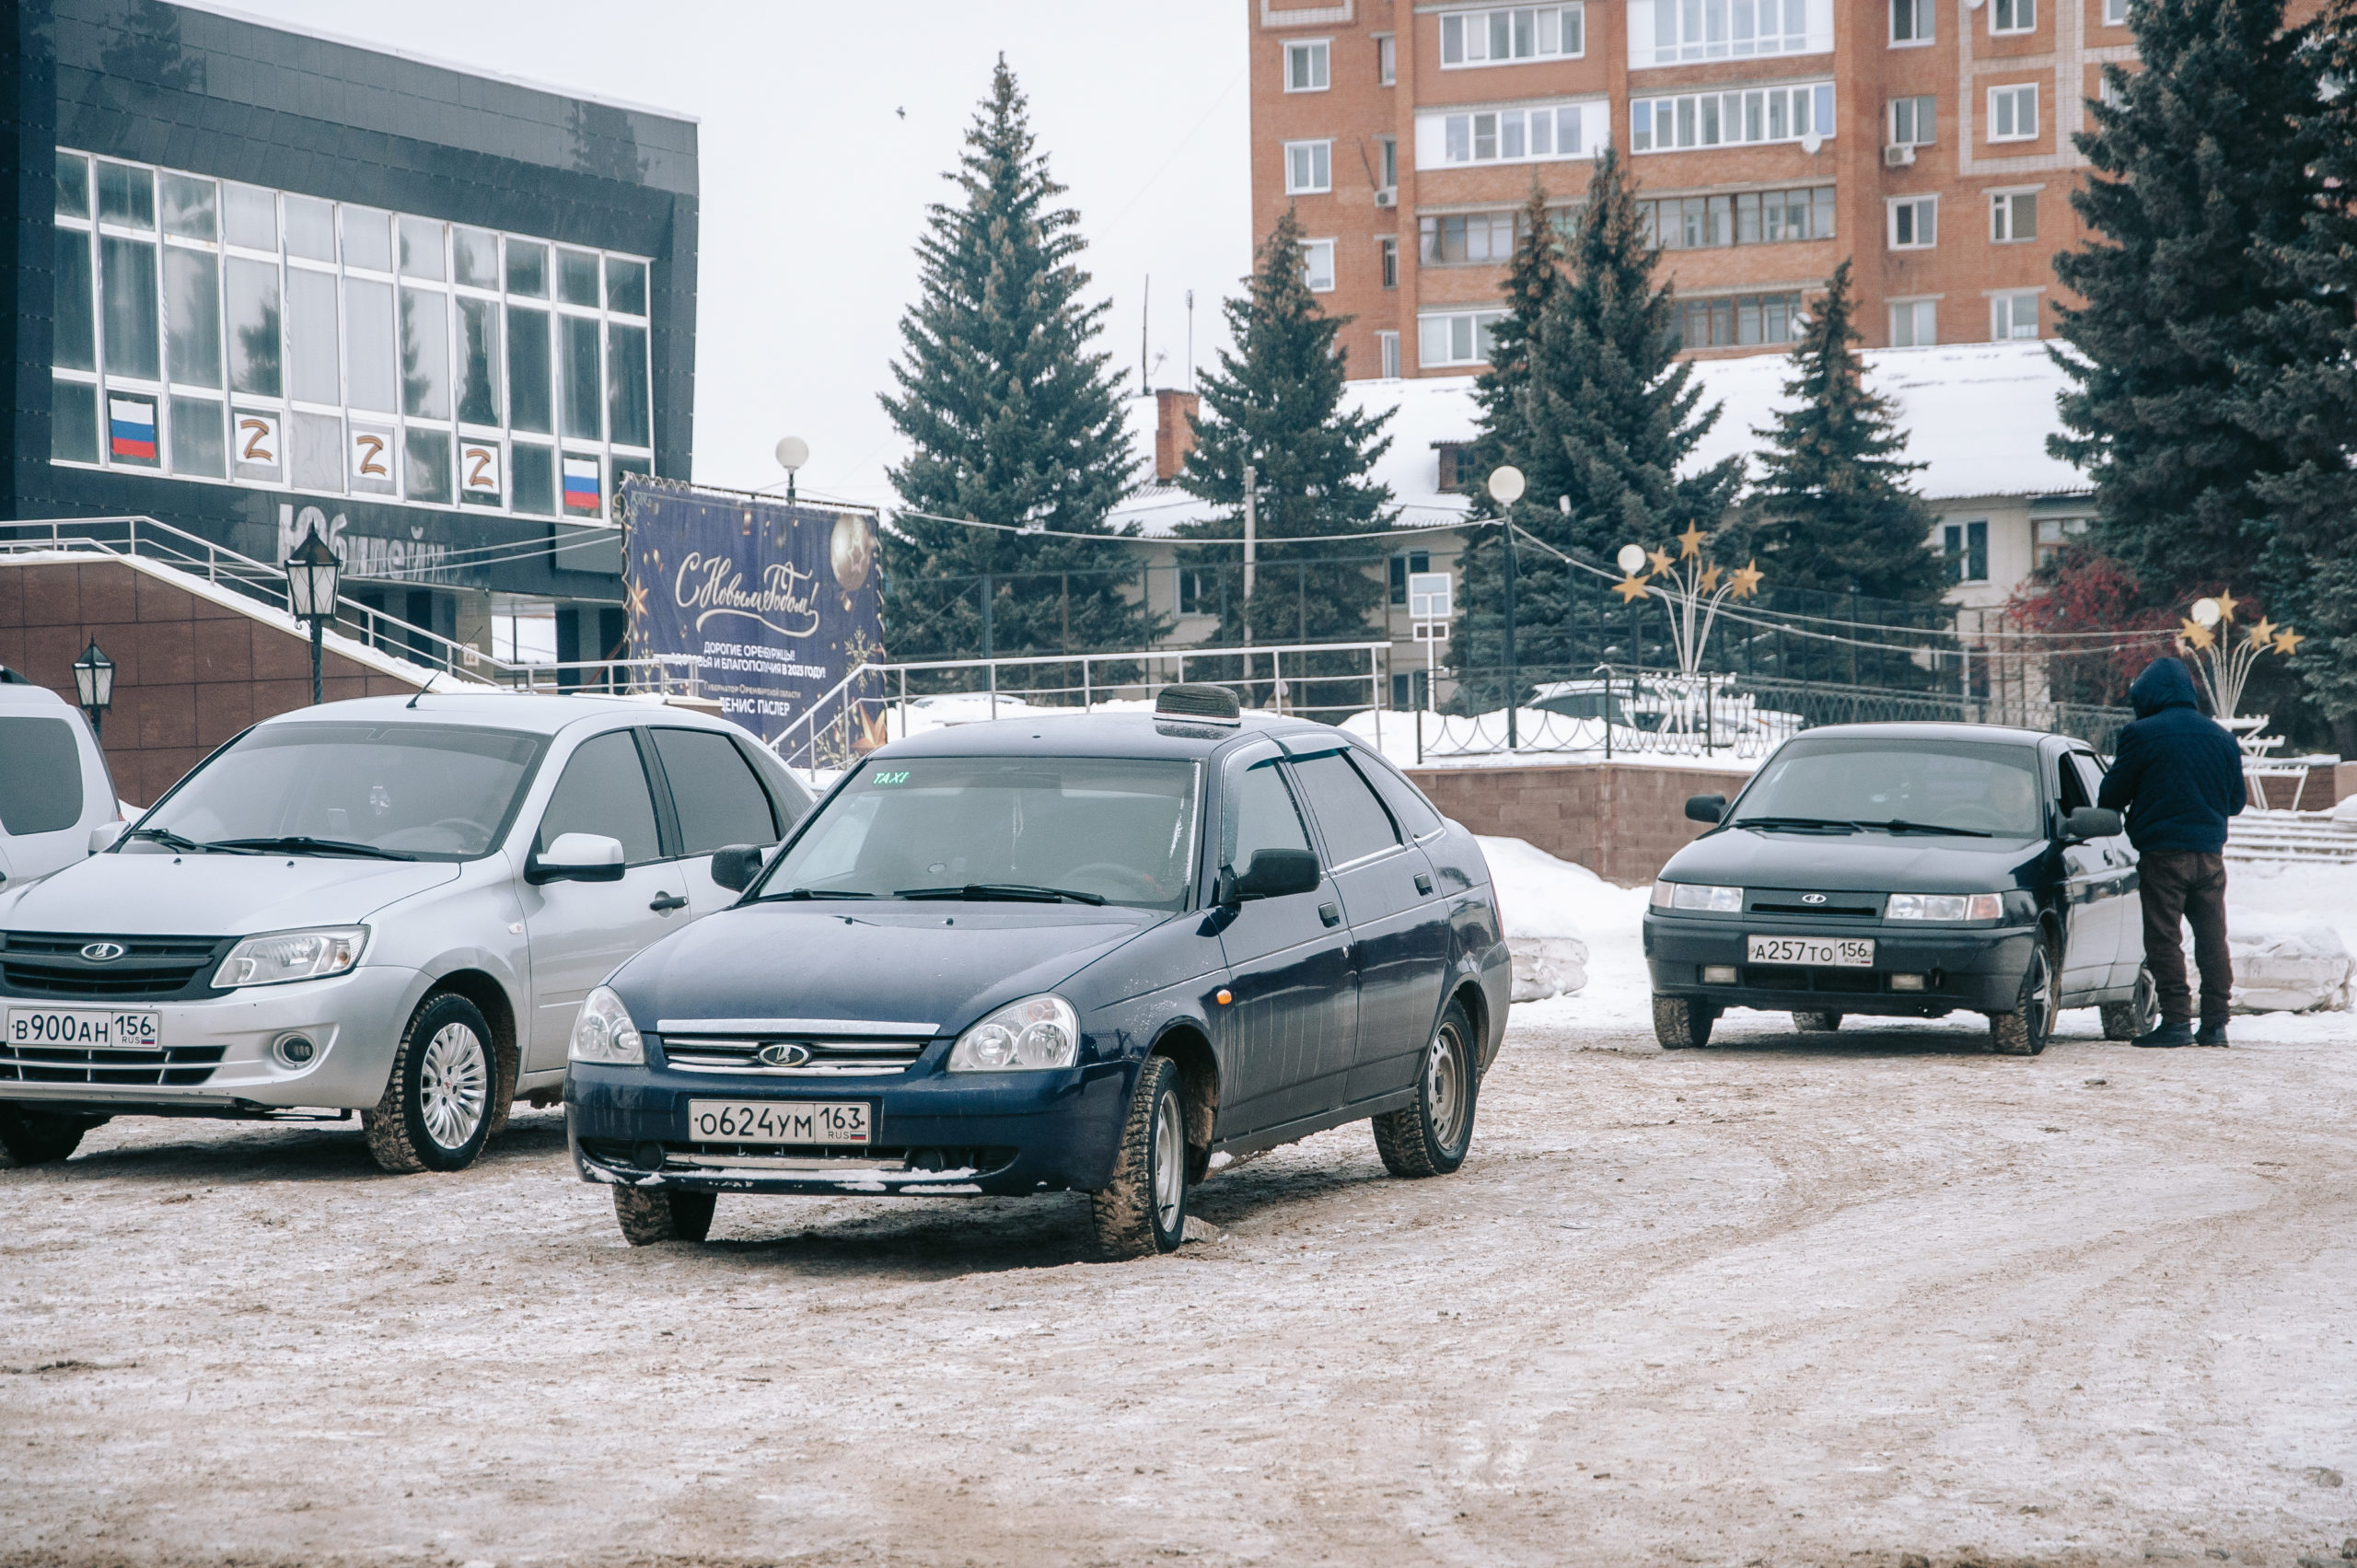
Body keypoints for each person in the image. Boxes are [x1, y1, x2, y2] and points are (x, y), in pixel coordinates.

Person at [2098, 656, 2247, 1047]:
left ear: (2149, 695)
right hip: (2210, 856)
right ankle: (2215, 1024)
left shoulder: (2141, 734)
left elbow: (2112, 793)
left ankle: (2177, 1022)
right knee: (2213, 938)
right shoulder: (2222, 738)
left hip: (2163, 854)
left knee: (2164, 938)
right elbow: (2235, 803)